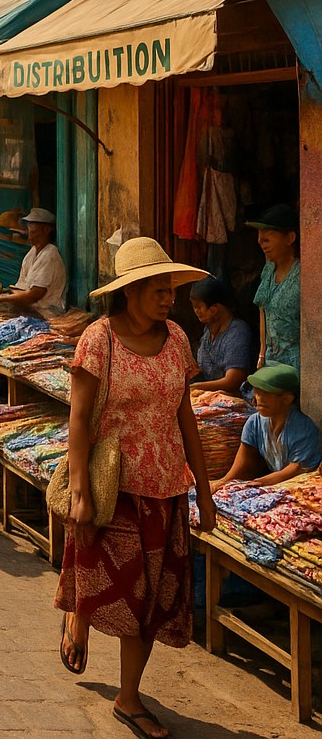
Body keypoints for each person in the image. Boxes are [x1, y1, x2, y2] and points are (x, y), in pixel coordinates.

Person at [56, 238, 215, 739]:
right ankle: (79, 616)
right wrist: (80, 488)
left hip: (166, 488)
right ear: (132, 292)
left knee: (148, 599)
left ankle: (129, 697)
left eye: (171, 290)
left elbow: (185, 417)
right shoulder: (98, 341)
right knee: (110, 585)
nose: (170, 299)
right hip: (113, 486)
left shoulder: (178, 341)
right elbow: (78, 421)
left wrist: (204, 491)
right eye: (160, 290)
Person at [214, 364, 320, 489]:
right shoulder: (254, 423)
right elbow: (244, 461)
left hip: (302, 487)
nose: (259, 399)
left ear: (287, 398)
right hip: (272, 484)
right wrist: (222, 482)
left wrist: (259, 484)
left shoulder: (304, 429)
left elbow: (295, 470)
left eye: (266, 394)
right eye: (257, 392)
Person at [0, 208, 68, 314]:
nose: (30, 237)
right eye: (29, 232)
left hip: (47, 312)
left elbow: (35, 295)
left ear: (47, 230)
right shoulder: (32, 253)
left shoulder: (50, 255)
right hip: (31, 309)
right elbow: (21, 288)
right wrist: (1, 292)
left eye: (34, 232)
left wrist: (5, 299)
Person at [250, 203, 300, 374]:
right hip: (271, 361)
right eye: (260, 241)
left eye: (267, 239)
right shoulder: (268, 270)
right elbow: (263, 310)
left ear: (290, 238)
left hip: (297, 362)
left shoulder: (303, 275)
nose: (262, 245)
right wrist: (262, 354)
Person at [188, 276, 254, 395]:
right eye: (194, 307)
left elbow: (233, 381)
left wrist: (195, 387)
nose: (196, 311)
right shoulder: (208, 331)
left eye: (199, 307)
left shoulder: (238, 332)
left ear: (214, 309)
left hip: (234, 399)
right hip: (209, 397)